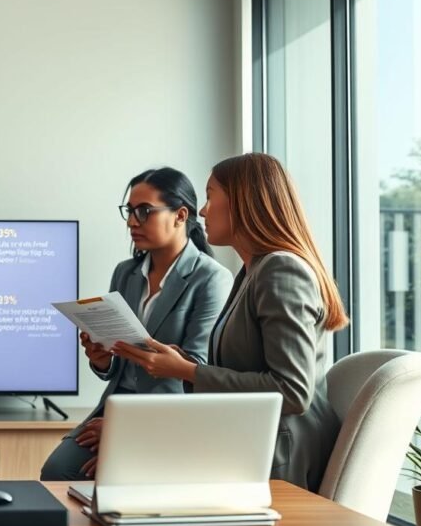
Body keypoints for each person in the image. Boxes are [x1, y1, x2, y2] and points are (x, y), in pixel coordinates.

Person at [113, 153, 346, 492]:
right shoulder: (251, 272)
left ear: (242, 202)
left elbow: (293, 392)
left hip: (280, 456)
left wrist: (186, 371)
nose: (203, 211)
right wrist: (180, 363)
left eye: (210, 196)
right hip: (248, 440)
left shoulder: (281, 270)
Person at [40, 167, 232, 480]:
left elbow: (197, 369)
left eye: (144, 211)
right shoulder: (125, 273)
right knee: (57, 472)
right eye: (129, 211)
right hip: (115, 406)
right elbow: (119, 366)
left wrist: (127, 430)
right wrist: (102, 360)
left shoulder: (211, 279)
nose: (132, 222)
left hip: (168, 418)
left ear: (180, 215)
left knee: (93, 478)